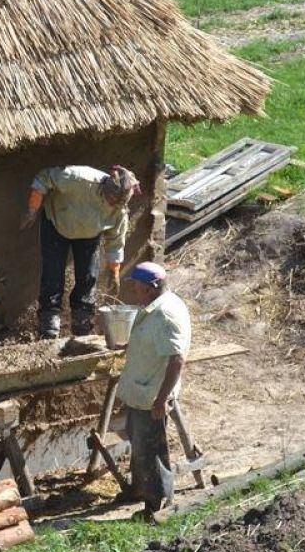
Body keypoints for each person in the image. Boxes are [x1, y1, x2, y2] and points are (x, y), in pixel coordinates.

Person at [20, 164, 140, 338]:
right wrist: (32, 210)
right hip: (57, 223)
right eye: (111, 200)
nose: (113, 206)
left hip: (90, 234)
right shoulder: (77, 178)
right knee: (52, 274)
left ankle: (82, 321)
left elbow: (115, 240)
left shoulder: (119, 210)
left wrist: (114, 270)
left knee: (88, 276)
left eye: (118, 204)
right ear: (105, 188)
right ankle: (49, 322)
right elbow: (44, 177)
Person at [114, 262, 191, 522]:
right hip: (141, 390)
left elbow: (177, 359)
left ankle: (157, 505)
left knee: (152, 451)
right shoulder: (156, 307)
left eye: (137, 287)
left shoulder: (165, 314)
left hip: (151, 396)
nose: (134, 292)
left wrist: (161, 399)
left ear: (151, 288)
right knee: (138, 443)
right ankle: (139, 489)